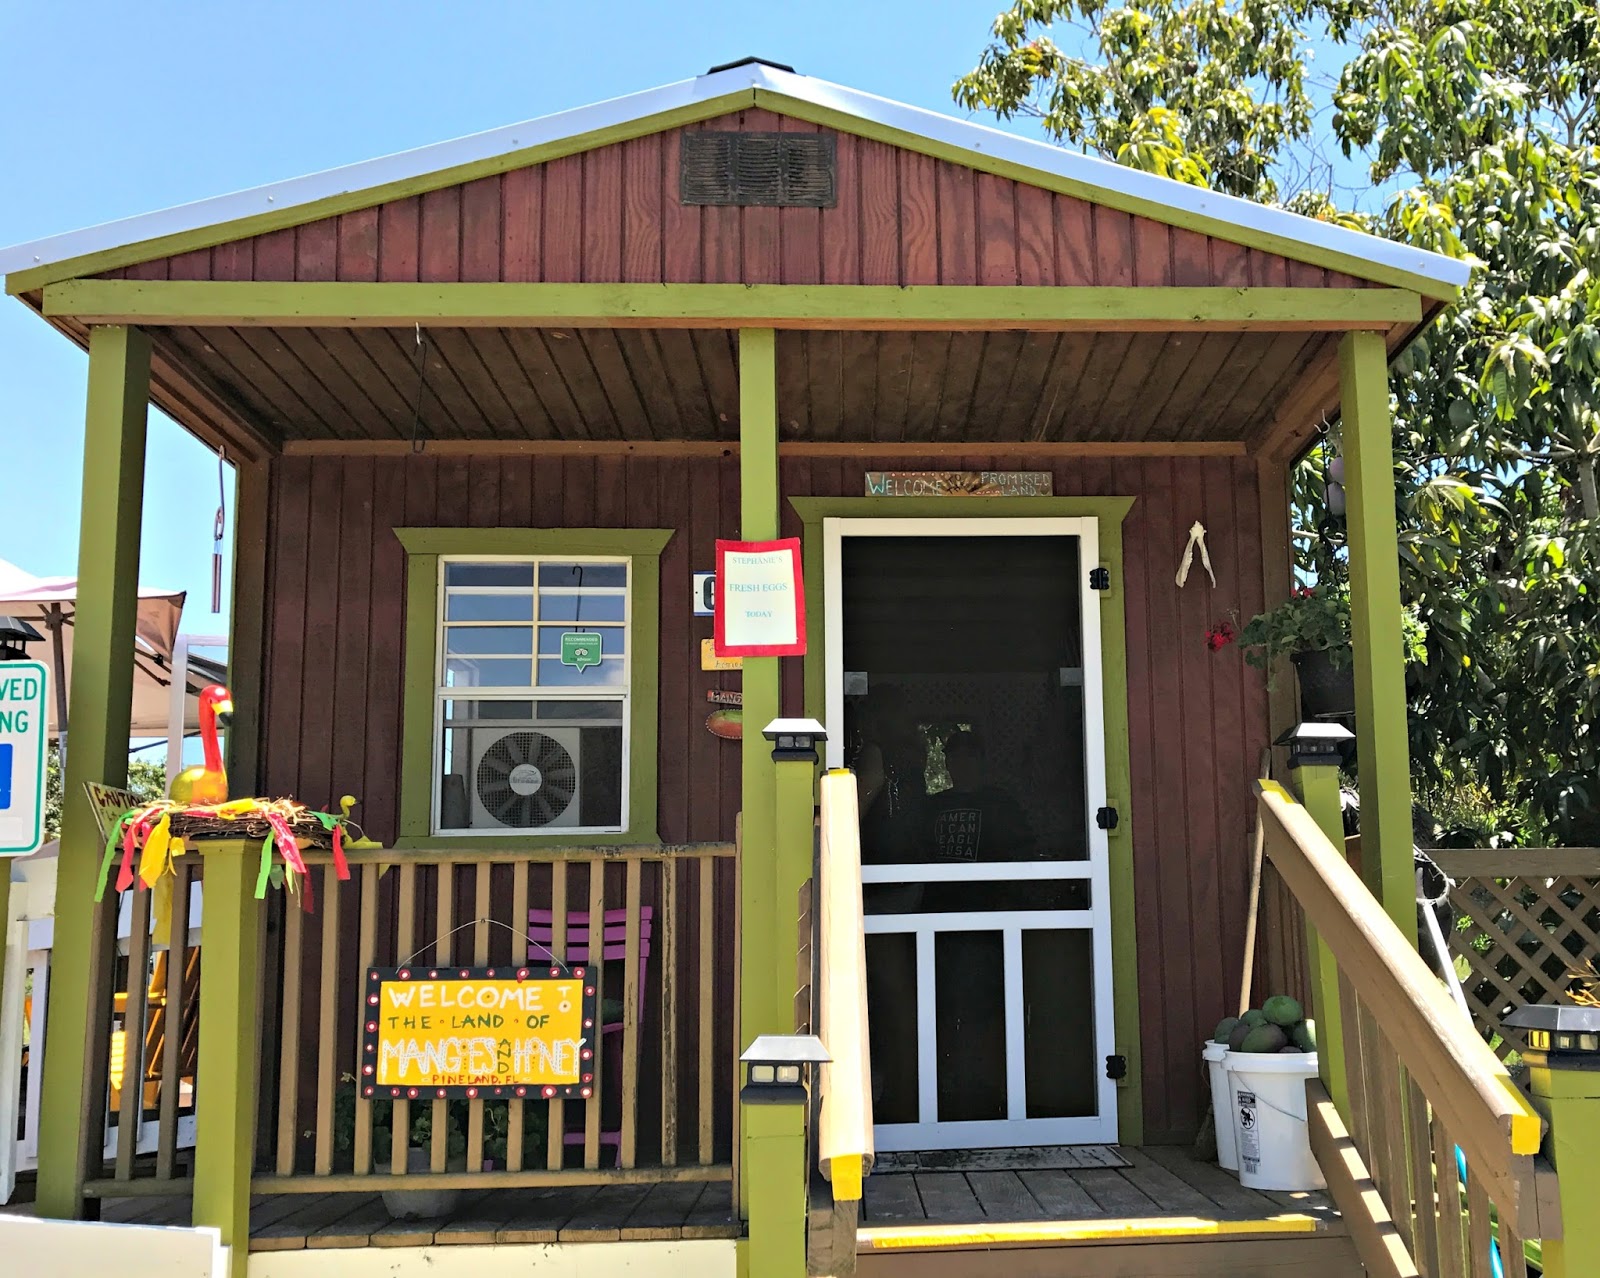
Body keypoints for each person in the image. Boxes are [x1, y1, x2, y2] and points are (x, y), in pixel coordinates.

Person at [923, 729, 1034, 861]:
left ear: (981, 761)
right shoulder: (933, 806)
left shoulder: (1001, 803)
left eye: (969, 756)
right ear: (947, 763)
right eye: (955, 757)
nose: (962, 763)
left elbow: (1021, 850)